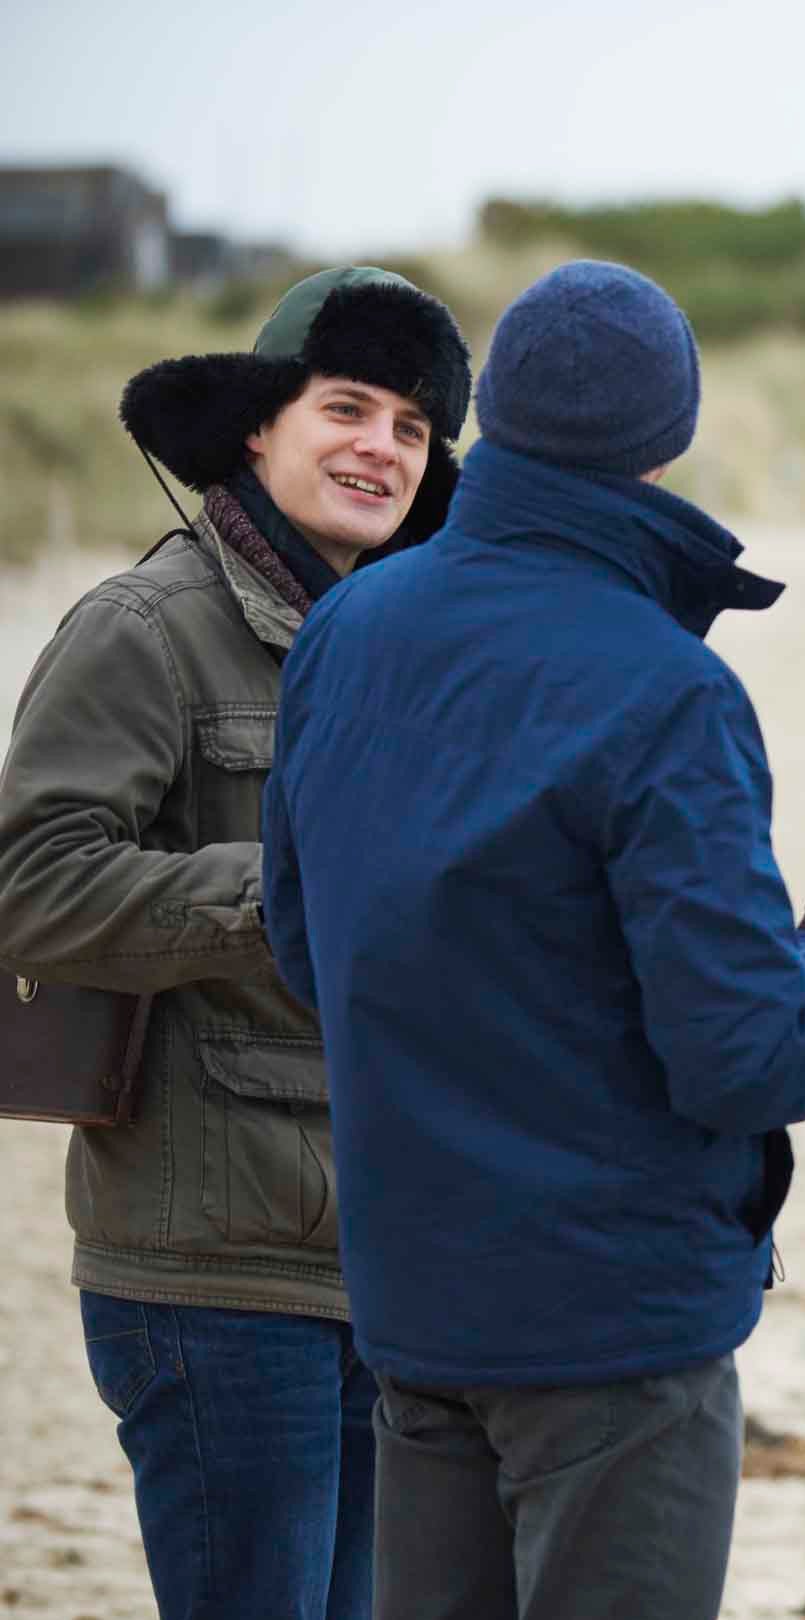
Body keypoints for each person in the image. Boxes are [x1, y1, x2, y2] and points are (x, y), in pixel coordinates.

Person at [259, 260, 805, 1620]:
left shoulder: (349, 625)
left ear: (492, 419)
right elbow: (743, 1055)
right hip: (613, 1327)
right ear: (668, 446)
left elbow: (307, 952)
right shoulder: (669, 690)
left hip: (415, 1299)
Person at [0, 265, 472, 1619]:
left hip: (386, 1262)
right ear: (259, 426)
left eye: (411, 427)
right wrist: (287, 894)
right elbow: (29, 887)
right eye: (347, 407)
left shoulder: (404, 649)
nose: (379, 446)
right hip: (206, 1274)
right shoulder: (141, 629)